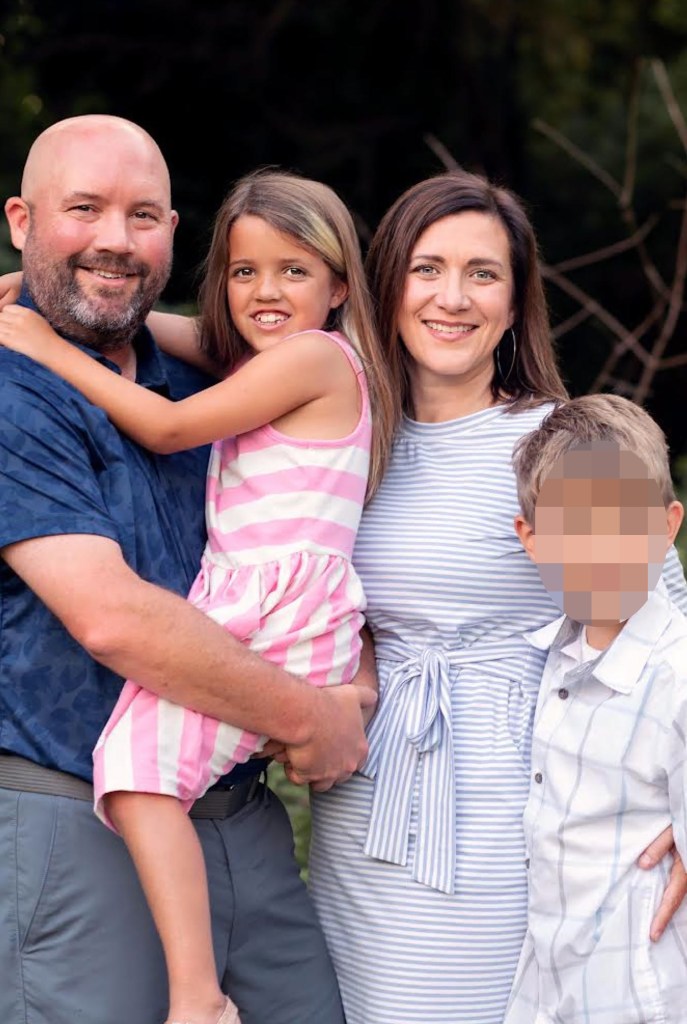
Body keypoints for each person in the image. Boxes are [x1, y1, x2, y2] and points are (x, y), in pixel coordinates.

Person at [0, 115, 378, 1024]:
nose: (113, 240)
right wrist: (311, 715)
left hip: (238, 808)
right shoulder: (16, 385)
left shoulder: (201, 379)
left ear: (173, 231)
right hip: (83, 817)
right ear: (21, 219)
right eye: (83, 209)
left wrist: (352, 681)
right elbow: (113, 620)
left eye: (142, 215)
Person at [302, 170, 687, 1024]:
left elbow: (670, 621)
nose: (453, 297)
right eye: (427, 268)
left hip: (506, 811)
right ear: (386, 285)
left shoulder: (555, 440)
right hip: (362, 800)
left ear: (515, 304)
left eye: (483, 274)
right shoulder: (341, 435)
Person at [506, 394, 687, 1022]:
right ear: (531, 538)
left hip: (643, 994)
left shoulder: (677, 678)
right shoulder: (554, 659)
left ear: (666, 526)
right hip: (550, 989)